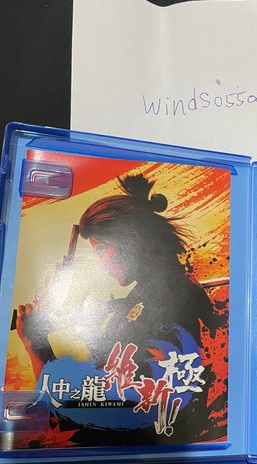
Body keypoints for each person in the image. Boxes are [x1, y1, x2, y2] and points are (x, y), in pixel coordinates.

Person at [16, 174, 222, 442]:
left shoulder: (167, 302)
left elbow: (99, 419)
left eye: (102, 249)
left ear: (132, 239)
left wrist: (38, 350)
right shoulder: (153, 295)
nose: (101, 262)